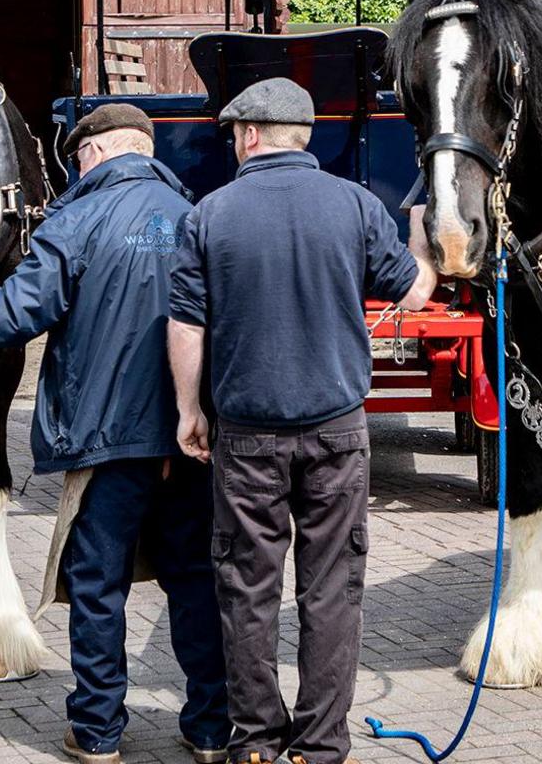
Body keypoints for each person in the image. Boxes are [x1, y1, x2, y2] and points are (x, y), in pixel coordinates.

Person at [0, 103, 229, 764]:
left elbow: (18, 310)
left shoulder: (76, 220)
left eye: (77, 159)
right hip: (190, 440)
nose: (75, 170)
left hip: (107, 440)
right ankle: (212, 728)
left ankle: (98, 730)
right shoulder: (195, 217)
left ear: (95, 153)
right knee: (193, 578)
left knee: (96, 584)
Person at [167, 78, 438, 764]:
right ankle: (318, 745)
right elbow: (414, 292)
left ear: (251, 135)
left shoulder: (209, 213)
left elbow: (186, 325)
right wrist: (423, 243)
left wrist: (189, 410)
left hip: (247, 437)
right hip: (336, 432)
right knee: (331, 591)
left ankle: (255, 741)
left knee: (246, 588)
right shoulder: (355, 205)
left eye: (234, 135)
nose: (233, 144)